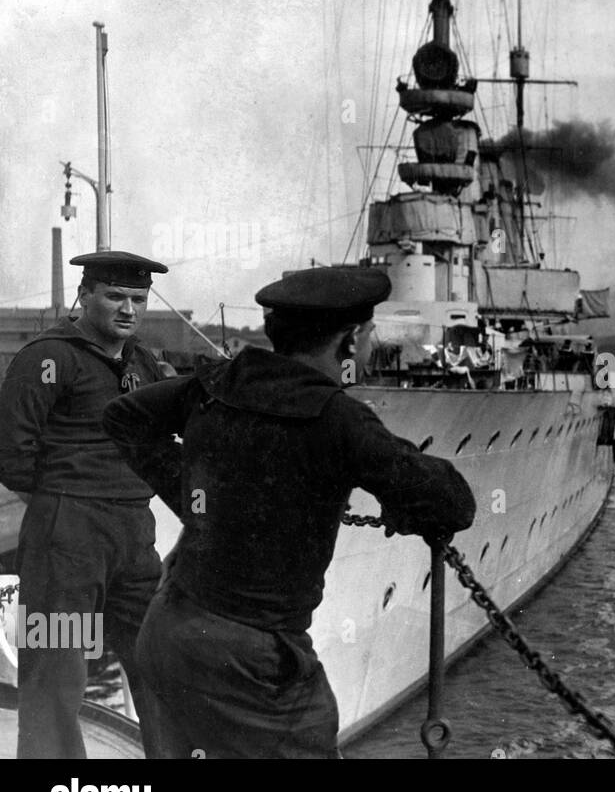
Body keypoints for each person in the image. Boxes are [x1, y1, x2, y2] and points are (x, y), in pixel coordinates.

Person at [103, 267, 476, 758]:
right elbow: (455, 502)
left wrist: (197, 501)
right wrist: (402, 509)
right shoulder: (339, 418)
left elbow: (123, 416)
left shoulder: (213, 386)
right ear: (351, 339)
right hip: (254, 661)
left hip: (169, 630)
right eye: (369, 334)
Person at [0, 250, 169, 758]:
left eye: (137, 299)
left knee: (159, 660)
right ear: (85, 293)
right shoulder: (49, 357)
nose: (128, 309)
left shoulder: (141, 360)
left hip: (135, 535)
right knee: (57, 665)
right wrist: (63, 496)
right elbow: (12, 453)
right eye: (115, 296)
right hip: (67, 533)